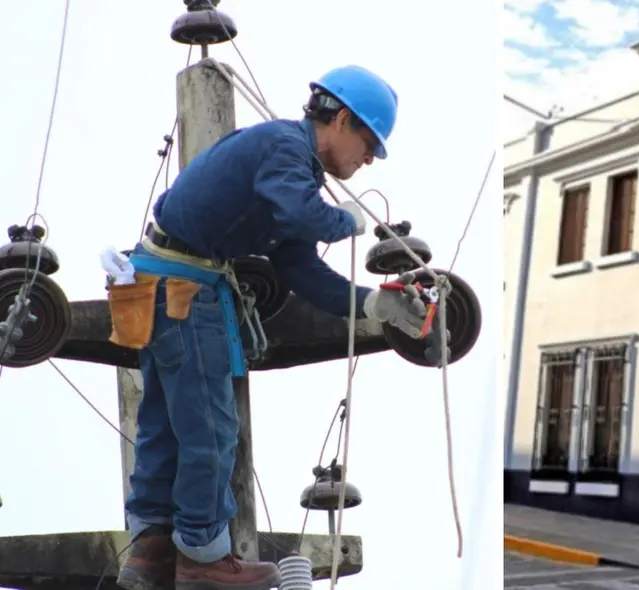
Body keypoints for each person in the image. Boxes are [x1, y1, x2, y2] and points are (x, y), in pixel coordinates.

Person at [111, 64, 434, 590]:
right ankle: (202, 559)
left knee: (170, 427)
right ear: (344, 120)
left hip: (166, 286)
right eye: (370, 142)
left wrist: (374, 303)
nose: (370, 158)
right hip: (184, 294)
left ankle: (149, 555)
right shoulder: (286, 148)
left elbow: (298, 265)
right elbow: (304, 214)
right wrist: (346, 220)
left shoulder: (289, 165)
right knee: (212, 432)